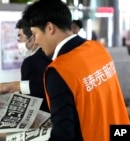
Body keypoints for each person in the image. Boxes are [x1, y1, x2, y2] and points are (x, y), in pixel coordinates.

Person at [22, 0, 129, 141]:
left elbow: (63, 136)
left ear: (49, 28)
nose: (35, 42)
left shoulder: (59, 70)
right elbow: (79, 88)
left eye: (35, 34)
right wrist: (20, 86)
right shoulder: (97, 49)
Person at [0, 19, 51, 112]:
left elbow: (32, 96)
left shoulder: (31, 62)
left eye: (20, 36)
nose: (18, 40)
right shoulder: (46, 56)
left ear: (33, 37)